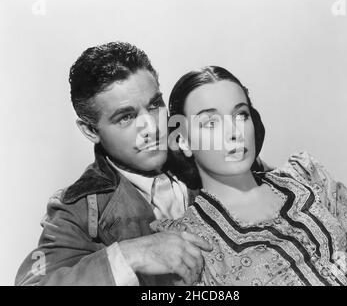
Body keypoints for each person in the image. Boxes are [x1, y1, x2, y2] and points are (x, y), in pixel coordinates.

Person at [150, 66, 347, 286]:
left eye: (241, 115)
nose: (234, 133)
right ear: (184, 142)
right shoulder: (187, 238)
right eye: (211, 123)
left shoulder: (307, 176)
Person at [15, 42, 217, 286]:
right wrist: (130, 255)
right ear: (90, 130)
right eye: (126, 117)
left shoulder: (206, 149)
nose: (152, 129)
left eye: (154, 105)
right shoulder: (76, 210)